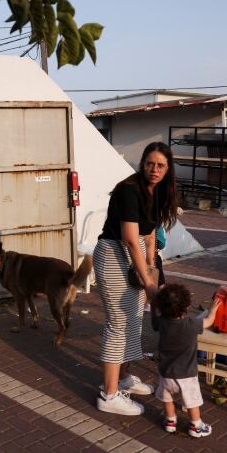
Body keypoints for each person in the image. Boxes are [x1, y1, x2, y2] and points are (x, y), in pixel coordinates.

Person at [95, 142, 179, 415]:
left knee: (134, 319)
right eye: (150, 163)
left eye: (161, 165)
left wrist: (152, 267)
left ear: (168, 169)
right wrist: (149, 283)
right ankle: (108, 396)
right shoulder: (129, 191)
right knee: (118, 322)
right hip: (113, 254)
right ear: (142, 164)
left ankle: (123, 379)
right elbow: (131, 239)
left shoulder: (157, 192)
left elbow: (150, 234)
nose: (154, 169)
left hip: (136, 256)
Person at [153, 284, 220, 438]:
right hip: (186, 375)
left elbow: (154, 323)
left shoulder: (162, 322)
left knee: (167, 398)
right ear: (187, 305)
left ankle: (170, 421)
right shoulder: (191, 325)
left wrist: (153, 306)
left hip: (166, 373)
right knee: (192, 401)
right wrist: (213, 310)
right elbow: (209, 321)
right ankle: (196, 425)